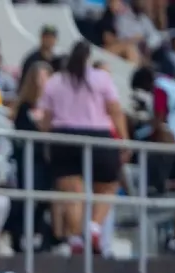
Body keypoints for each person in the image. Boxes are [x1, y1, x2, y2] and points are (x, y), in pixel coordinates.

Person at [35, 40, 127, 255]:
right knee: (107, 186)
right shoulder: (101, 78)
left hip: (64, 137)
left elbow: (45, 117)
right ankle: (93, 227)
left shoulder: (56, 81)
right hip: (98, 136)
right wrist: (124, 139)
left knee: (72, 192)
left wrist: (47, 137)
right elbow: (114, 109)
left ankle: (76, 237)